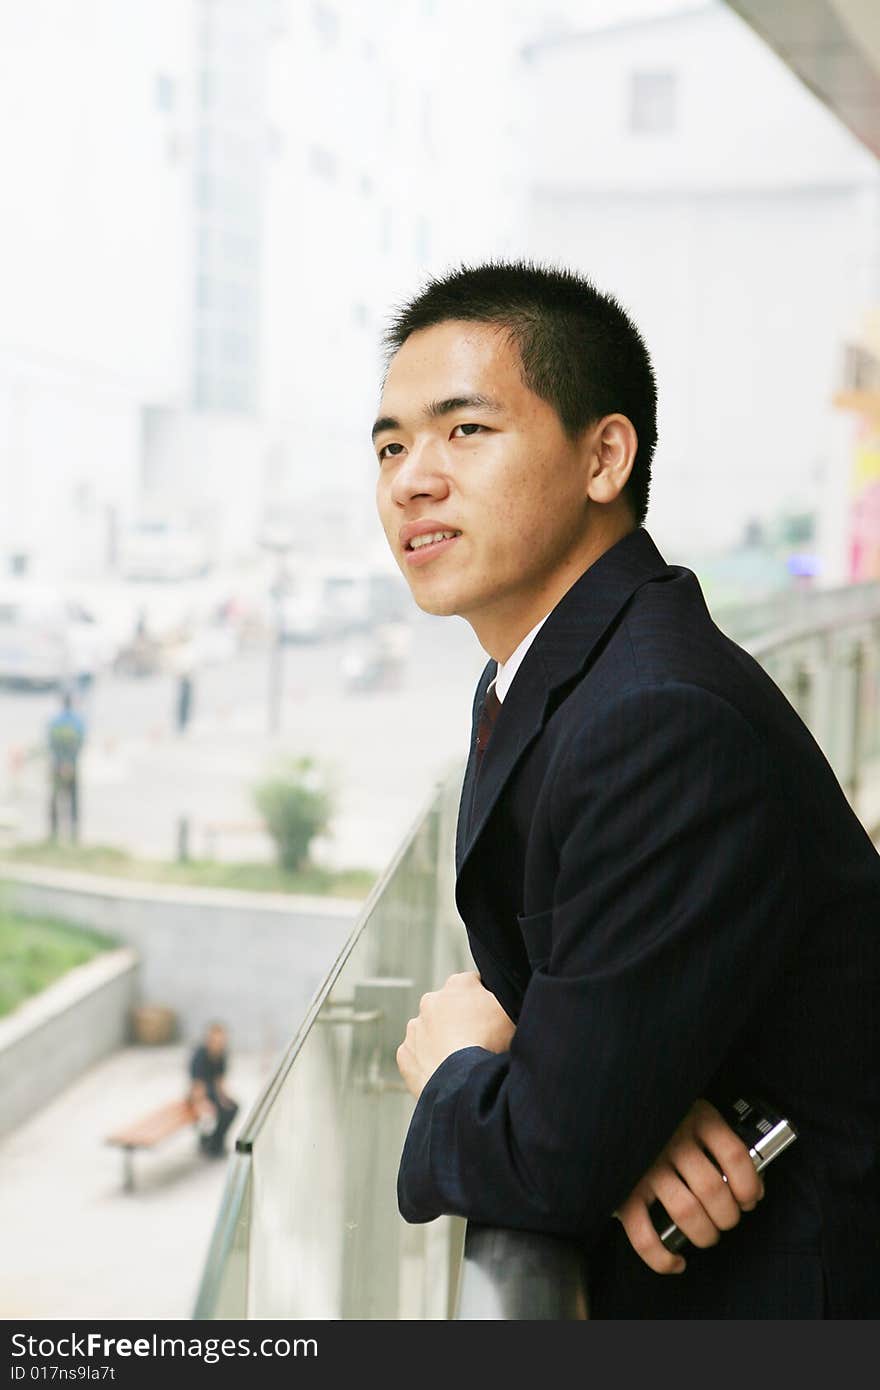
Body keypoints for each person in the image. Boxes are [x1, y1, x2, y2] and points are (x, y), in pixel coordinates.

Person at [372, 261, 880, 1318]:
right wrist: (618, 1114)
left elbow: (548, 1161)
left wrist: (462, 1066)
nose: (411, 477)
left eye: (464, 431)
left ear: (604, 455)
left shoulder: (658, 717)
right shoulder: (556, 672)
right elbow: (574, 1074)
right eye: (390, 444)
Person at [187, 1022, 239, 1159]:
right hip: (198, 1093)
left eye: (221, 1040)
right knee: (216, 1112)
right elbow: (197, 1085)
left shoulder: (221, 1055)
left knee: (232, 1108)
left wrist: (224, 1099)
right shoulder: (200, 1055)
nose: (219, 1043)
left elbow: (219, 1081)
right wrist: (203, 1103)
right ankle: (209, 1143)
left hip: (213, 1091)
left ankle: (216, 1141)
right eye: (215, 1040)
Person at [47, 691, 86, 843]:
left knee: (55, 798)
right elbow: (80, 742)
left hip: (57, 765)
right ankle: (74, 832)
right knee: (74, 799)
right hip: (72, 765)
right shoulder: (78, 722)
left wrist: (60, 761)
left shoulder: (55, 721)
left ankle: (53, 831)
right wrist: (70, 761)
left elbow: (51, 743)